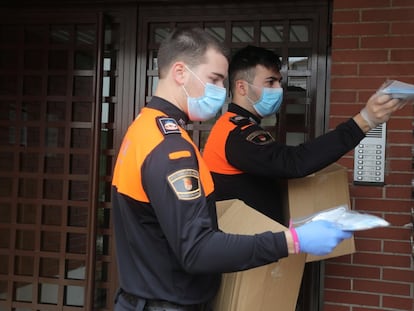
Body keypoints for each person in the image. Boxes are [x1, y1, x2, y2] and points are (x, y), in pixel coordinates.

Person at [111, 28, 353, 311]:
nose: (220, 91)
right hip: (165, 304)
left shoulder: (144, 128)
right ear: (180, 72)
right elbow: (197, 251)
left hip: (146, 297)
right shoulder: (171, 149)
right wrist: (292, 241)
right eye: (214, 79)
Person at [203, 45, 407, 223]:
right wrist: (364, 121)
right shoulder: (236, 134)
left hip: (252, 242)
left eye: (279, 82)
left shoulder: (240, 126)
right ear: (242, 87)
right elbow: (294, 162)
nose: (279, 89)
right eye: (271, 82)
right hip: (243, 250)